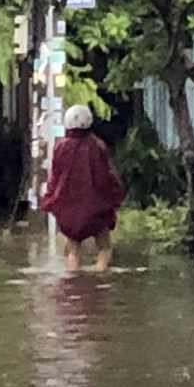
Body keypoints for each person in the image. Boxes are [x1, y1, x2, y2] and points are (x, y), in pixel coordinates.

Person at [39, 104, 126, 272]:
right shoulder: (98, 145)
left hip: (70, 211)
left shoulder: (61, 148)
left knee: (72, 249)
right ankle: (99, 274)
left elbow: (55, 178)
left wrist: (49, 199)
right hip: (97, 209)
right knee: (104, 247)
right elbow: (107, 175)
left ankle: (73, 277)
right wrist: (116, 195)